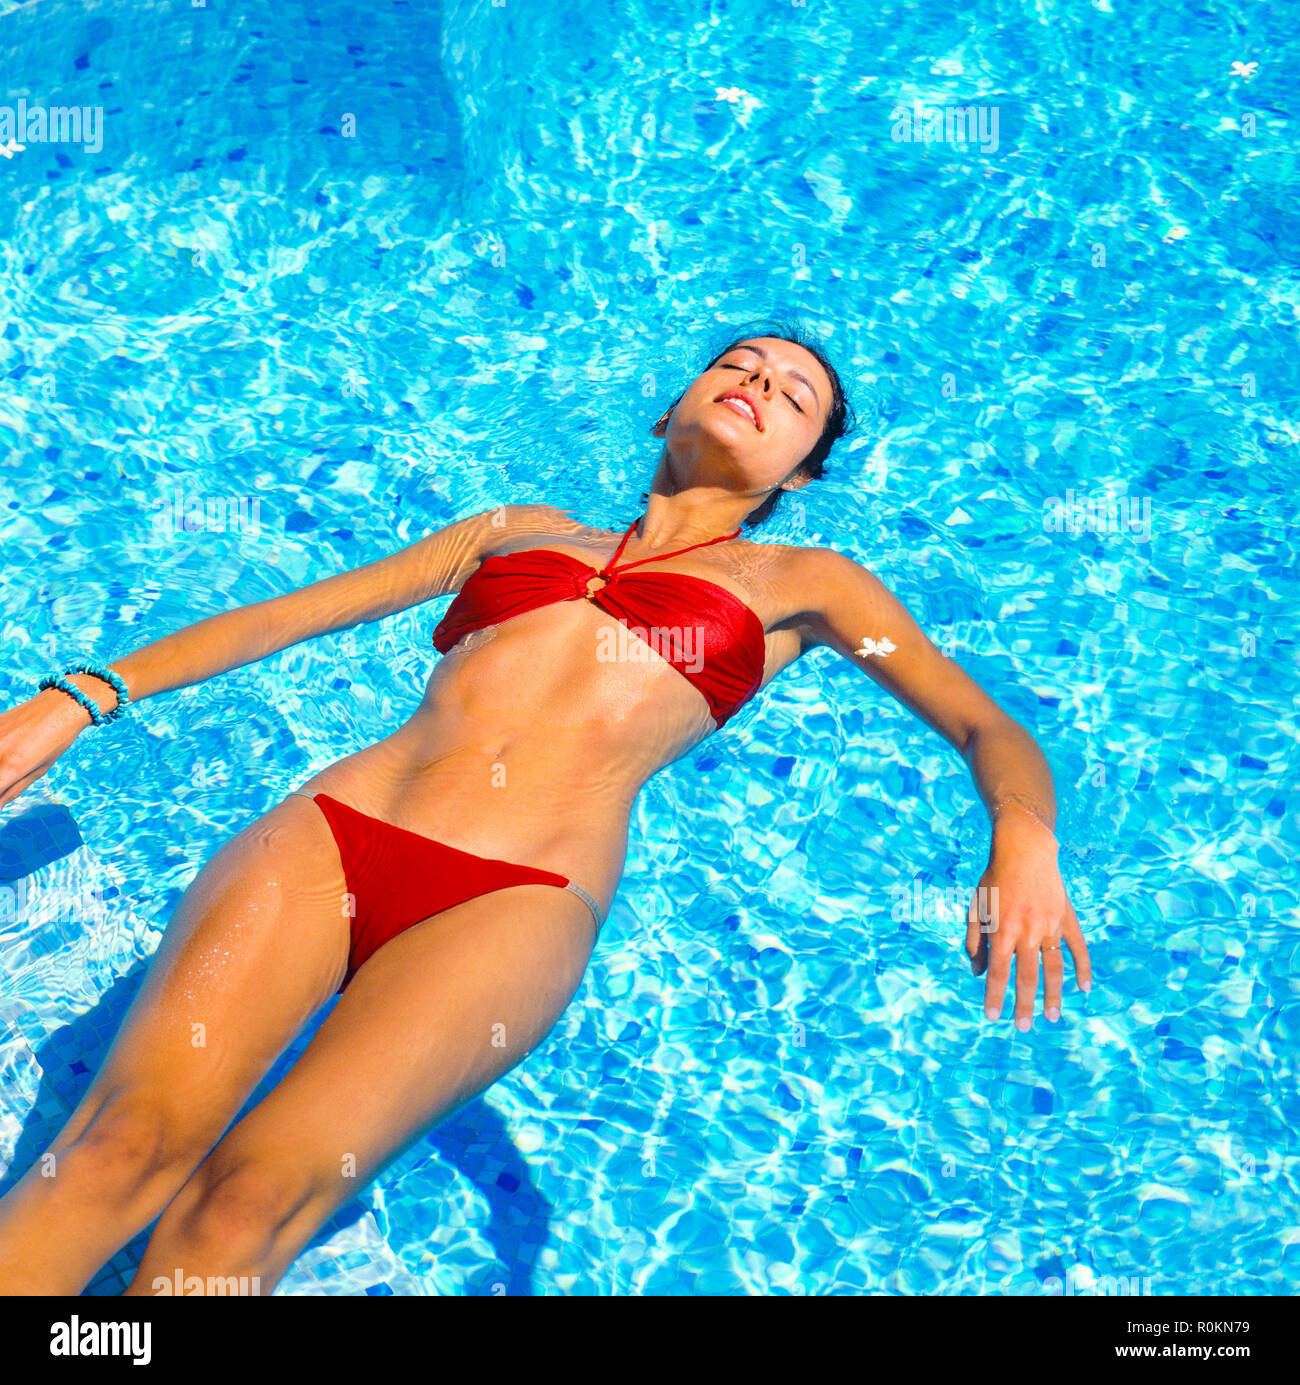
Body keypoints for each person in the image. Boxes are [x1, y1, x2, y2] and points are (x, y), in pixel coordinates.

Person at [0, 326, 1090, 1295]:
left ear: (796, 476)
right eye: (739, 363)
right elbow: (285, 617)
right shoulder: (514, 531)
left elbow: (988, 730)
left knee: (246, 1202)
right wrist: (78, 697)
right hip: (334, 833)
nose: (758, 379)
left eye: (793, 394)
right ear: (672, 408)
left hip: (514, 899)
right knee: (115, 1144)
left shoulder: (808, 581)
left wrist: (1022, 839)